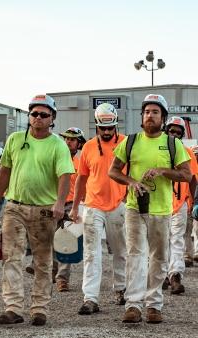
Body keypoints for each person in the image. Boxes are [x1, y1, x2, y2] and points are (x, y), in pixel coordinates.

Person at [0, 94, 74, 326]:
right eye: (34, 114)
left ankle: (39, 309)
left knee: (42, 261)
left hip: (44, 211)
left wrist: (59, 203)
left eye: (43, 114)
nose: (37, 118)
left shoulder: (58, 144)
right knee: (11, 258)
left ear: (52, 118)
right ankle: (13, 307)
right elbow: (4, 171)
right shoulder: (15, 139)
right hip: (15, 207)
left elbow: (65, 175)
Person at [109, 94, 191, 324]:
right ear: (142, 116)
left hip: (162, 210)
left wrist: (163, 171)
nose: (150, 116)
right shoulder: (131, 141)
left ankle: (154, 305)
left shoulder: (173, 144)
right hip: (135, 207)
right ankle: (133, 305)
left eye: (155, 112)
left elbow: (187, 174)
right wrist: (131, 182)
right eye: (146, 112)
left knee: (159, 256)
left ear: (162, 117)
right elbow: (113, 171)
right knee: (135, 254)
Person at [69, 103, 127, 314]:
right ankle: (90, 298)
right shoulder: (88, 147)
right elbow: (81, 179)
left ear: (115, 125)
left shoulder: (125, 144)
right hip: (93, 206)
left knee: (121, 251)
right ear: (96, 126)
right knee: (92, 253)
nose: (106, 132)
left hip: (119, 205)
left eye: (110, 128)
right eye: (103, 128)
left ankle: (121, 289)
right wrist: (76, 208)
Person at [163, 117, 198, 294]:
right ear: (166, 130)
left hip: (181, 203)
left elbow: (193, 179)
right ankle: (161, 275)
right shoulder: (158, 150)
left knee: (176, 240)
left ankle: (175, 275)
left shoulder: (188, 153)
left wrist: (194, 201)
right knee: (159, 241)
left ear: (182, 134)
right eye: (172, 131)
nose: (175, 134)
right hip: (159, 204)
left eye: (178, 132)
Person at [55, 127, 86, 292]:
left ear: (79, 143)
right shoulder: (56, 157)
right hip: (52, 203)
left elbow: (85, 184)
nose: (68, 142)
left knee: (65, 241)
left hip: (70, 205)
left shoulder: (81, 162)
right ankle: (52, 270)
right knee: (48, 239)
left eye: (72, 139)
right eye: (66, 139)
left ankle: (62, 279)